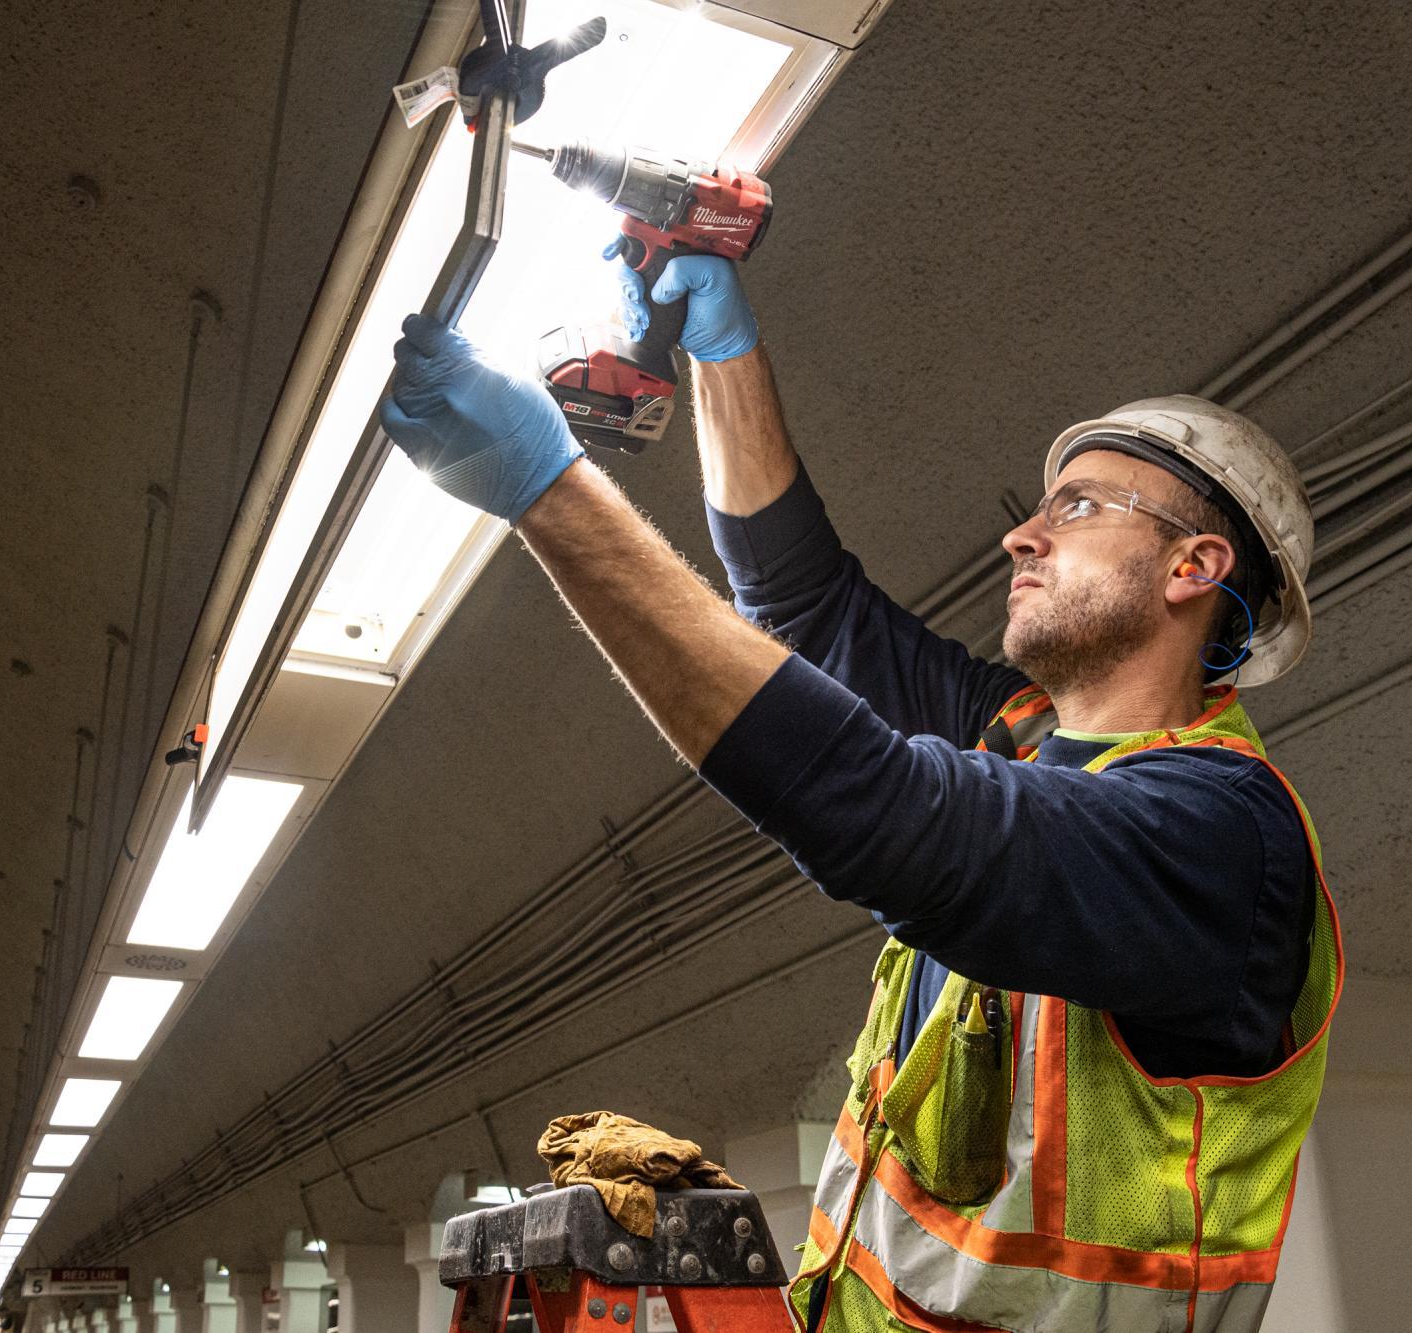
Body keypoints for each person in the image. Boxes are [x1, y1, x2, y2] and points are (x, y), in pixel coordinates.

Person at [382, 255, 1342, 1333]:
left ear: (1192, 568)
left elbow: (878, 812)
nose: (1023, 533)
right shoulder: (1018, 734)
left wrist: (547, 491)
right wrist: (722, 352)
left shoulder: (1221, 836)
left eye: (1077, 505)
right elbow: (803, 601)